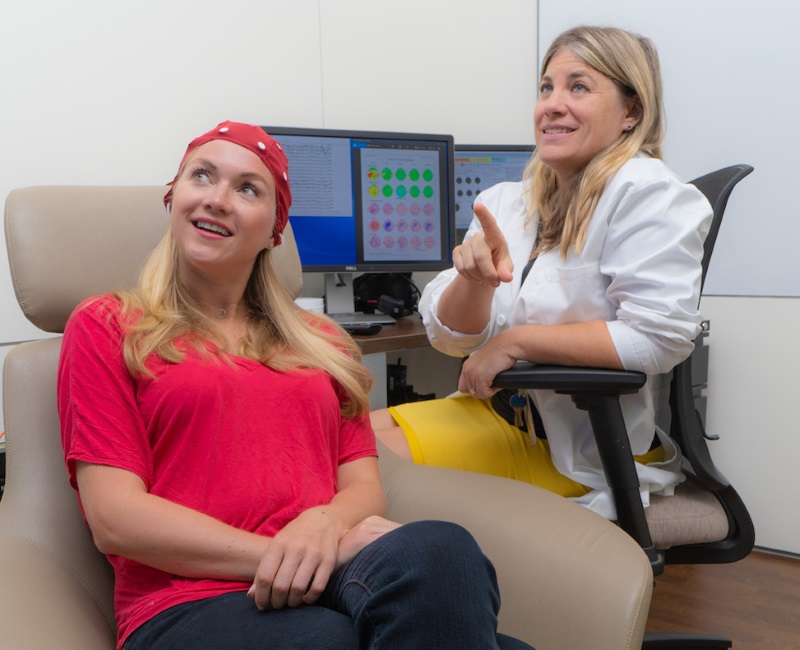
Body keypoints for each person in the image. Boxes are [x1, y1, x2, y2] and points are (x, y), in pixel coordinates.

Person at [57, 121, 534, 650]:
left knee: (444, 548)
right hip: (187, 601)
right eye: (202, 176)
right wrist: (298, 552)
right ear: (174, 198)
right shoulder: (109, 324)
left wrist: (323, 524)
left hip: (327, 577)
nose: (217, 199)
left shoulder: (322, 342)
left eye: (246, 189)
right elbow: (116, 519)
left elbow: (362, 486)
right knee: (326, 639)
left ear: (274, 231)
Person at [371, 26, 714, 520]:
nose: (551, 104)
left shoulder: (649, 194)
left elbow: (658, 338)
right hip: (494, 417)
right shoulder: (507, 203)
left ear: (631, 112)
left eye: (578, 86)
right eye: (546, 87)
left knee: (352, 472)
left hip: (581, 454)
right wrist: (473, 283)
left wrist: (518, 342)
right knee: (335, 444)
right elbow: (453, 340)